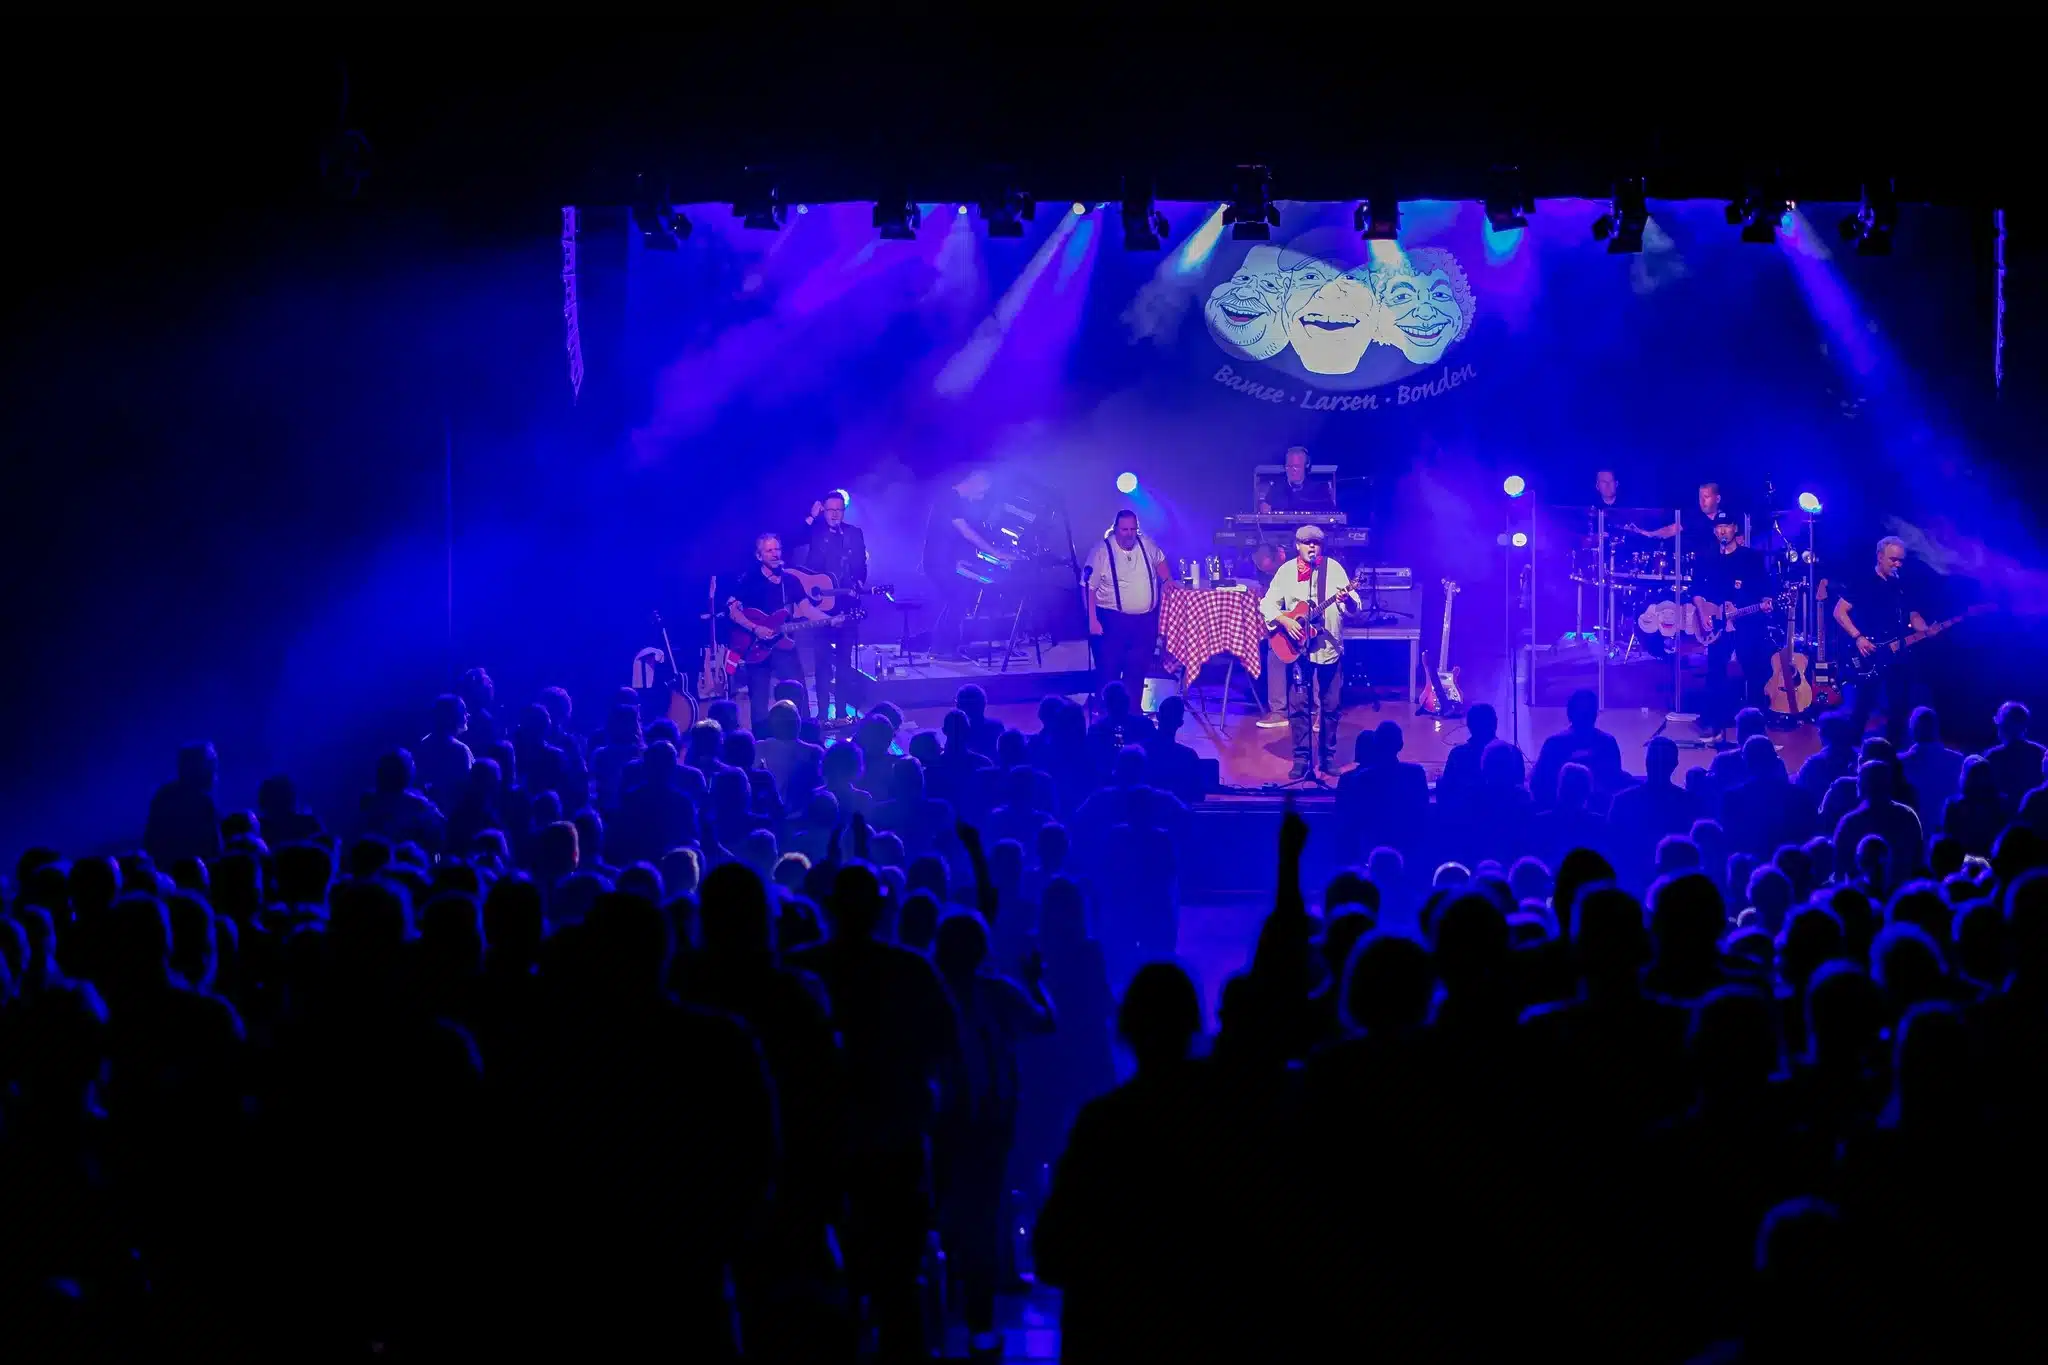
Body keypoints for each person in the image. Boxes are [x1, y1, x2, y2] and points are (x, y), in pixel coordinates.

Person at [1259, 524, 1358, 780]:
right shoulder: (1286, 572)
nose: (1312, 546)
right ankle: (1302, 759)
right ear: (1297, 545)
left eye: (1316, 543)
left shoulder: (1334, 569)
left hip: (1329, 648)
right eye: (1306, 542)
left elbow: (1355, 604)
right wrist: (1285, 620)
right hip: (1299, 649)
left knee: (1331, 705)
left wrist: (1347, 599)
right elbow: (1267, 604)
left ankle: (1327, 757)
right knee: (1299, 706)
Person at [1690, 511, 1775, 736]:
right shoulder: (1709, 559)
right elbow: (1697, 589)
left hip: (1746, 621)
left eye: (1726, 526)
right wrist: (1703, 613)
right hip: (1718, 625)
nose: (1722, 531)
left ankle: (1754, 724)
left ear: (1735, 528)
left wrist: (1765, 601)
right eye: (1718, 527)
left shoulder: (1750, 558)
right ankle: (1713, 721)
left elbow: (1764, 586)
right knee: (1715, 670)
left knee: (1753, 669)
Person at [1834, 535, 1927, 738]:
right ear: (1879, 557)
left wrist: (1926, 629)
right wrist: (1858, 637)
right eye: (1893, 559)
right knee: (1863, 706)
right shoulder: (1863, 582)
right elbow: (1839, 612)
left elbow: (1912, 614)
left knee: (1899, 707)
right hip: (1871, 653)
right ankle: (1851, 747)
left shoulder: (1901, 585)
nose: (1897, 565)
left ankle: (1892, 749)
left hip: (1898, 653)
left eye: (1901, 560)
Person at [724, 531, 812, 727]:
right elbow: (732, 610)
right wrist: (755, 628)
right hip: (756, 648)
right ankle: (761, 741)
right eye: (769, 551)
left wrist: (831, 619)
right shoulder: (749, 580)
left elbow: (808, 609)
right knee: (759, 705)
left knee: (798, 693)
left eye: (777, 549)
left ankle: (805, 733)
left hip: (784, 645)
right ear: (759, 556)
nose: (775, 554)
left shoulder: (790, 581)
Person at [923, 469, 1012, 660]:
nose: (982, 497)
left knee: (956, 599)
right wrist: (995, 553)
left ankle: (941, 647)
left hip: (942, 561)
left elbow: (948, 535)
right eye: (982, 492)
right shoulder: (949, 498)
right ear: (975, 482)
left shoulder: (952, 499)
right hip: (938, 562)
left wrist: (957, 560)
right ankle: (943, 649)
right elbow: (966, 532)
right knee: (959, 598)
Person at [1084, 508, 1170, 704]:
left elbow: (1160, 560)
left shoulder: (1146, 544)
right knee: (1110, 671)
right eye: (1125, 529)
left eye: (1133, 529)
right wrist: (1092, 619)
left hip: (1144, 622)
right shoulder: (1101, 551)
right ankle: (1108, 712)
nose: (1129, 534)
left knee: (1138, 669)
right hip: (1113, 621)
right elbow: (1088, 588)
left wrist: (1166, 580)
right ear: (1115, 529)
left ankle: (1133, 711)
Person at [798, 490, 868, 727]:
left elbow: (861, 566)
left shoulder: (854, 533)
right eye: (830, 510)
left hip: (847, 605)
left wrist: (859, 582)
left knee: (844, 663)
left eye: (839, 510)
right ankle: (822, 715)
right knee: (822, 662)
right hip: (822, 608)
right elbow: (794, 539)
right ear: (823, 511)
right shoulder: (815, 532)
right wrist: (811, 516)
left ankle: (840, 713)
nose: (835, 514)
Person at [1628, 479, 1725, 548]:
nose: (1702, 501)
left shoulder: (1728, 519)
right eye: (1700, 498)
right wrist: (1648, 533)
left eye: (1706, 497)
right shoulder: (1693, 518)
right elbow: (1671, 530)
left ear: (1717, 499)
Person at [1257, 445, 1336, 514]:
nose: (1292, 470)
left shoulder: (1318, 489)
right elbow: (1266, 515)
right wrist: (1265, 510)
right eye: (1289, 466)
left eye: (1297, 466)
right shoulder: (1276, 489)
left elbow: (1330, 514)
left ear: (1306, 466)